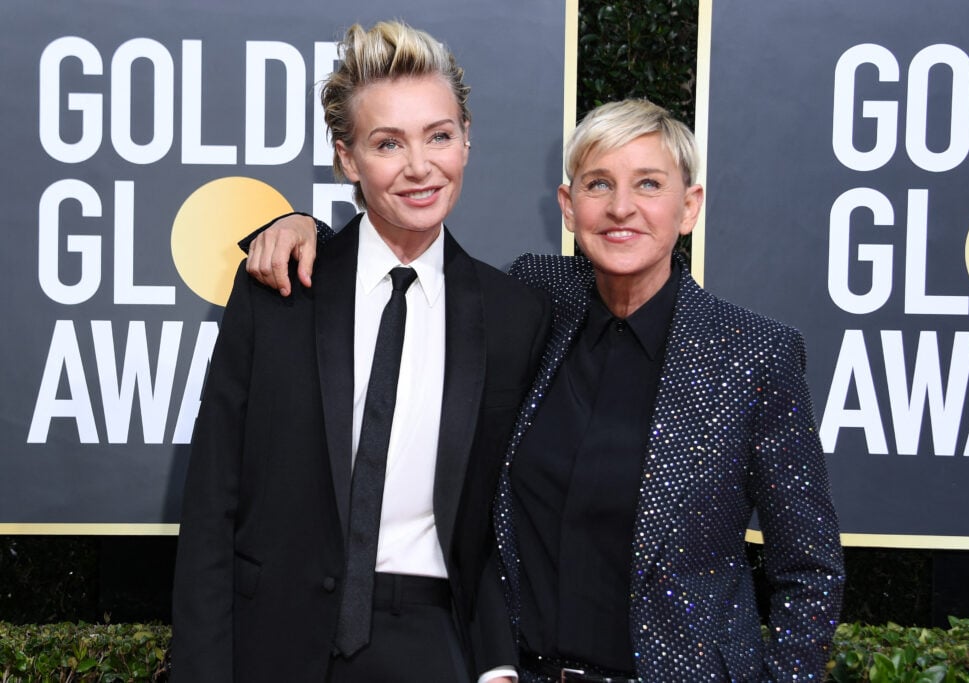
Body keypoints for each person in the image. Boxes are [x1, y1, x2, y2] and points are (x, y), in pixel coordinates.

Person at [249, 100, 845, 681]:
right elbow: (416, 269)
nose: (621, 208)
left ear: (689, 207)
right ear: (567, 205)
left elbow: (811, 567)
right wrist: (305, 230)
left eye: (648, 185)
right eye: (597, 184)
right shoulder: (536, 301)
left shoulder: (751, 354)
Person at [172, 20, 548, 683]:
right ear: (348, 158)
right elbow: (210, 507)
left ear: (466, 138)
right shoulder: (280, 288)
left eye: (439, 135)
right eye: (387, 143)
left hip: (435, 644)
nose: (419, 166)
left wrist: (496, 663)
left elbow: (500, 519)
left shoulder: (514, 316)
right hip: (276, 644)